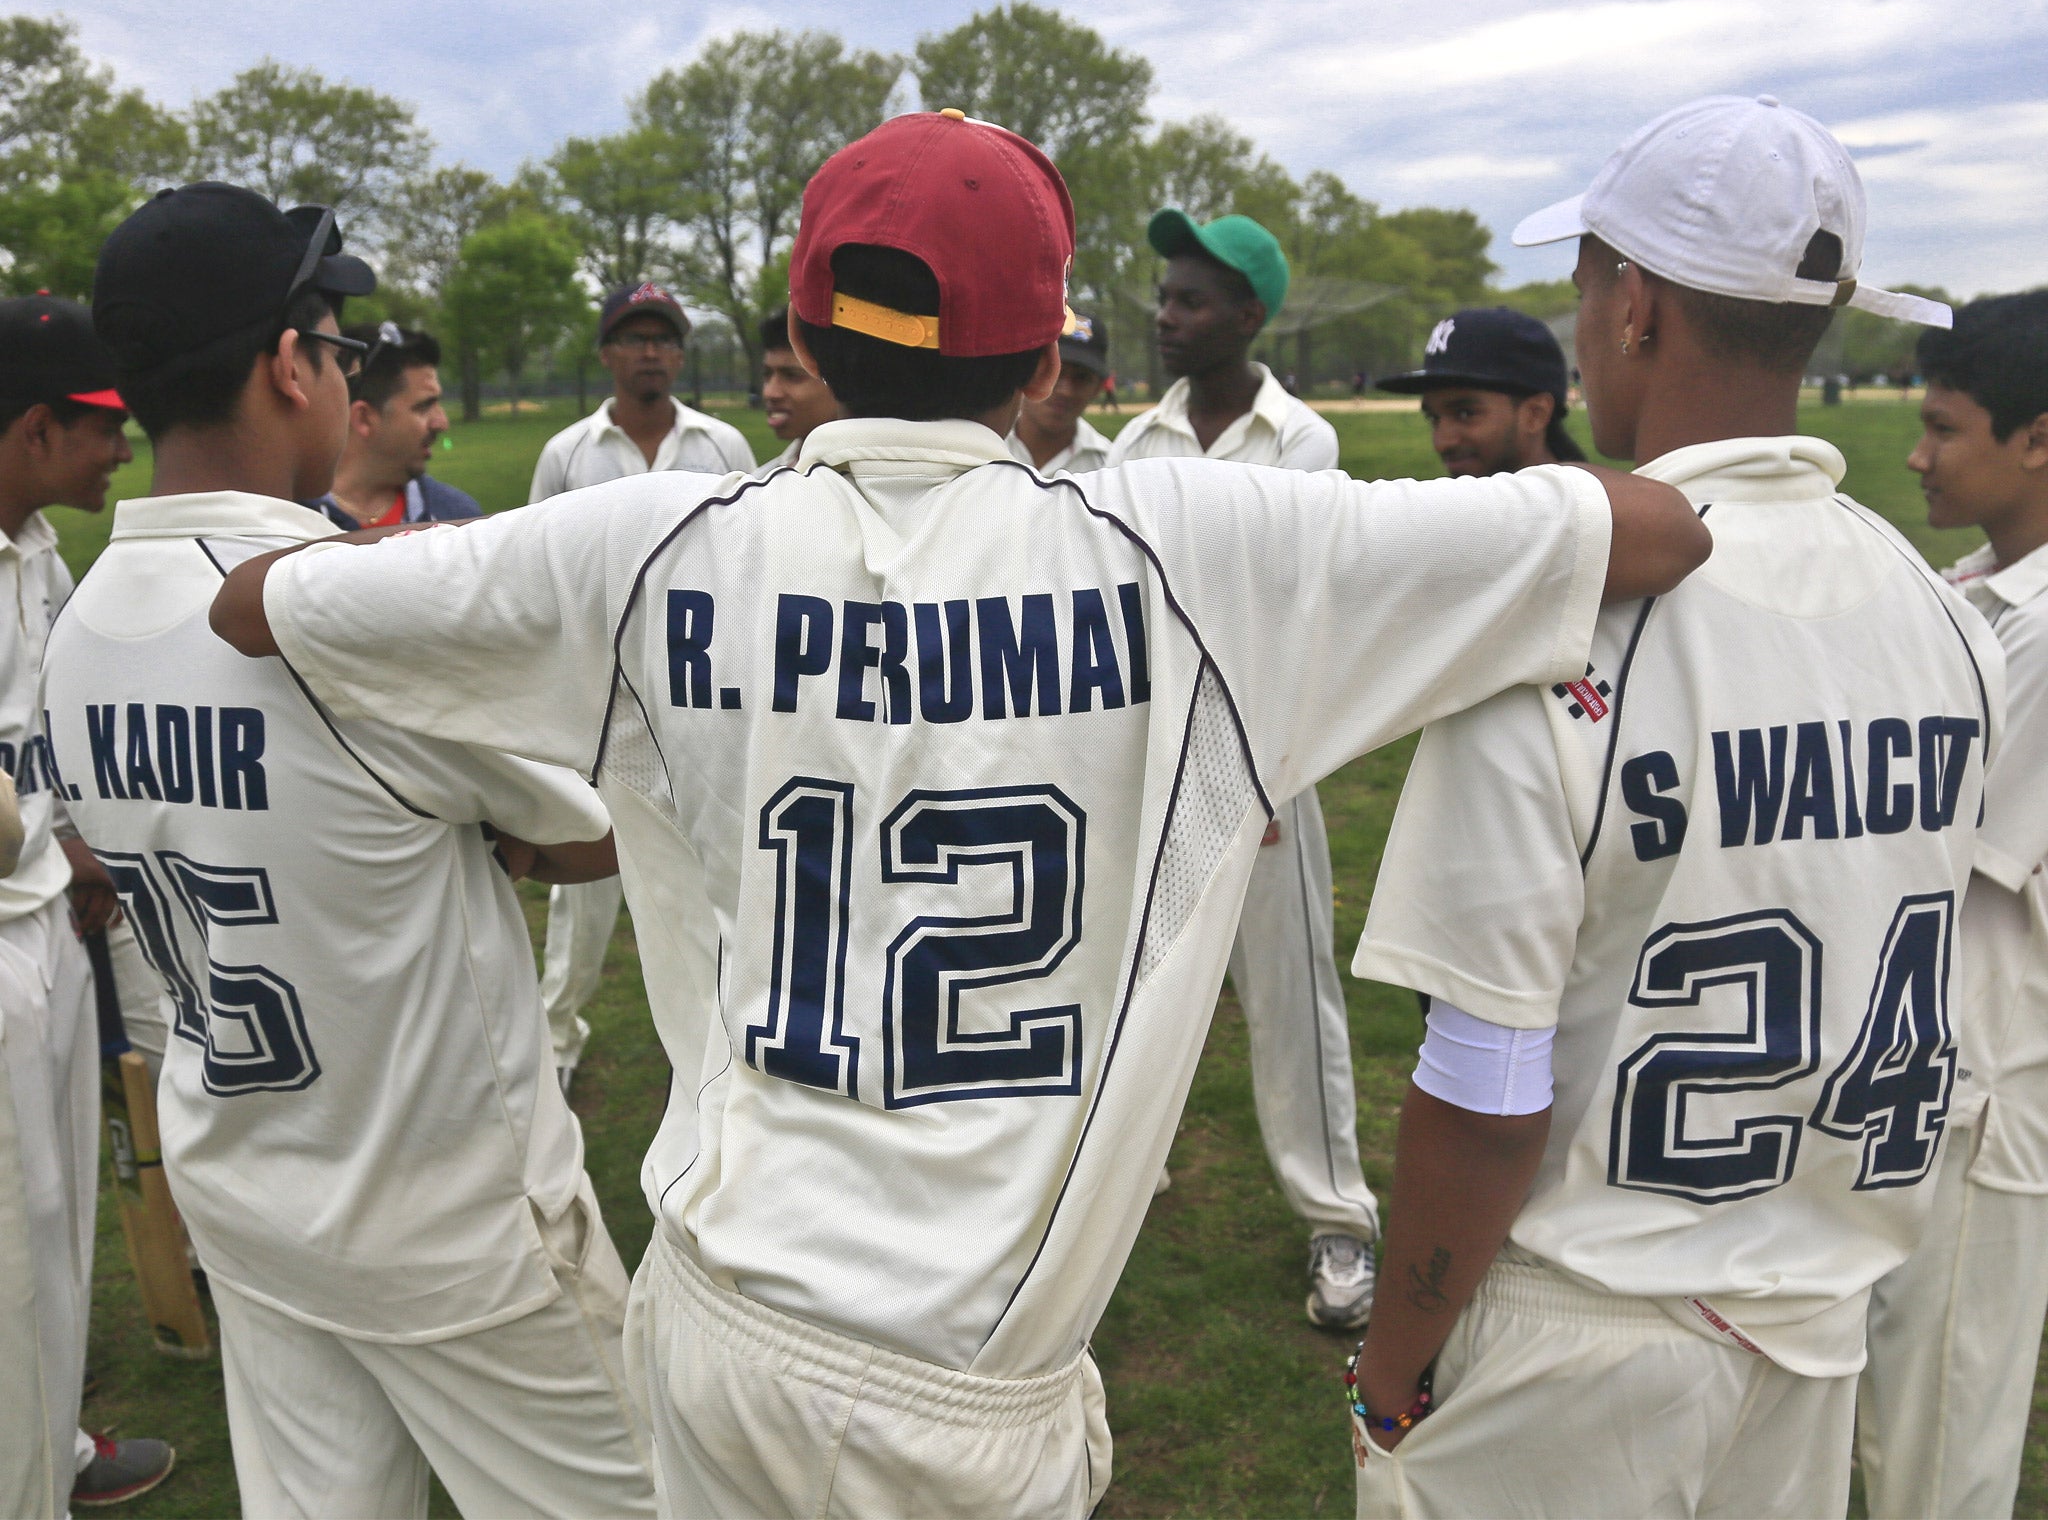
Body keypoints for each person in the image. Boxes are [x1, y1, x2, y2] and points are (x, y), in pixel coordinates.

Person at [206, 109, 1707, 1519]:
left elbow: (261, 605)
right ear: (1044, 356)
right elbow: (1655, 528)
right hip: (972, 1366)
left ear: (800, 332)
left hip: (719, 1301)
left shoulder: (645, 545)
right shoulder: (1202, 546)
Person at [1346, 95, 1991, 1520]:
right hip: (1812, 1326)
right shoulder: (1940, 616)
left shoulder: (1561, 617)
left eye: (1584, 286)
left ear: (1633, 308)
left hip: (1577, 1330)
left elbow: (1485, 1090)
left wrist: (1389, 1369)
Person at [53, 182, 655, 1519]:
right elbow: (593, 831)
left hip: (254, 1196)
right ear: (288, 366)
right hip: (456, 1226)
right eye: (336, 351)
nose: (341, 378)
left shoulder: (77, 622)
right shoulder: (350, 613)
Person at [1109, 207, 1381, 1330]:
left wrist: (1259, 772)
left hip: (1267, 772)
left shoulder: (1299, 443)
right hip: (1159, 777)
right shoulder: (1134, 450)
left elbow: (1289, 619)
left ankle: (1338, 1222)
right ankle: (1120, 1186)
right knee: (1132, 991)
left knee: (1290, 999)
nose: (1168, 318)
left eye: (1192, 301)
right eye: (1165, 298)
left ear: (1249, 316)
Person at [1857, 289, 2048, 1519]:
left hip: (1985, 1090)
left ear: (2037, 439)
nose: (1915, 456)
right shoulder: (1977, 585)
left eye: (1943, 429)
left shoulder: (2033, 633)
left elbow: (1907, 847)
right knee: (1878, 1421)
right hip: (1922, 1074)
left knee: (1934, 1456)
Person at [0, 294, 177, 1515]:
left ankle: (48, 1446)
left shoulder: (39, 548)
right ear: (29, 427)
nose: (124, 447)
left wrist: (68, 841)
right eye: (101, 425)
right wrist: (34, 840)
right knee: (16, 1241)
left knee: (56, 1220)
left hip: (44, 916)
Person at [528, 281, 753, 1095]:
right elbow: (538, 573)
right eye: (635, 337)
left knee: (711, 878)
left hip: (698, 693)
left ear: (681, 354)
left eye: (664, 338)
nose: (651, 351)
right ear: (608, 354)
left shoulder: (723, 445)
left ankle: (725, 1045)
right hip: (599, 695)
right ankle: (558, 1034)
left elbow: (748, 561)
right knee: (582, 896)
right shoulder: (569, 453)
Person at [1377, 307, 1587, 477]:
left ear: (1535, 414)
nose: (1442, 442)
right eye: (1433, 418)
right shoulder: (1452, 520)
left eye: (1465, 413)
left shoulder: (1596, 525)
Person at [311, 322, 481, 530]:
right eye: (424, 406)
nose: (442, 423)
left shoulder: (457, 518)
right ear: (364, 418)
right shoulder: (293, 524)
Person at [1007, 313, 1114, 475]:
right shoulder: (982, 448)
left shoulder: (1109, 465)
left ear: (1098, 388)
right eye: (1054, 371)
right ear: (1026, 371)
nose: (1066, 391)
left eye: (1082, 378)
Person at [755, 307, 843, 473]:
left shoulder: (872, 486)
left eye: (792, 376)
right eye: (767, 374)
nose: (770, 393)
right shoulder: (760, 480)